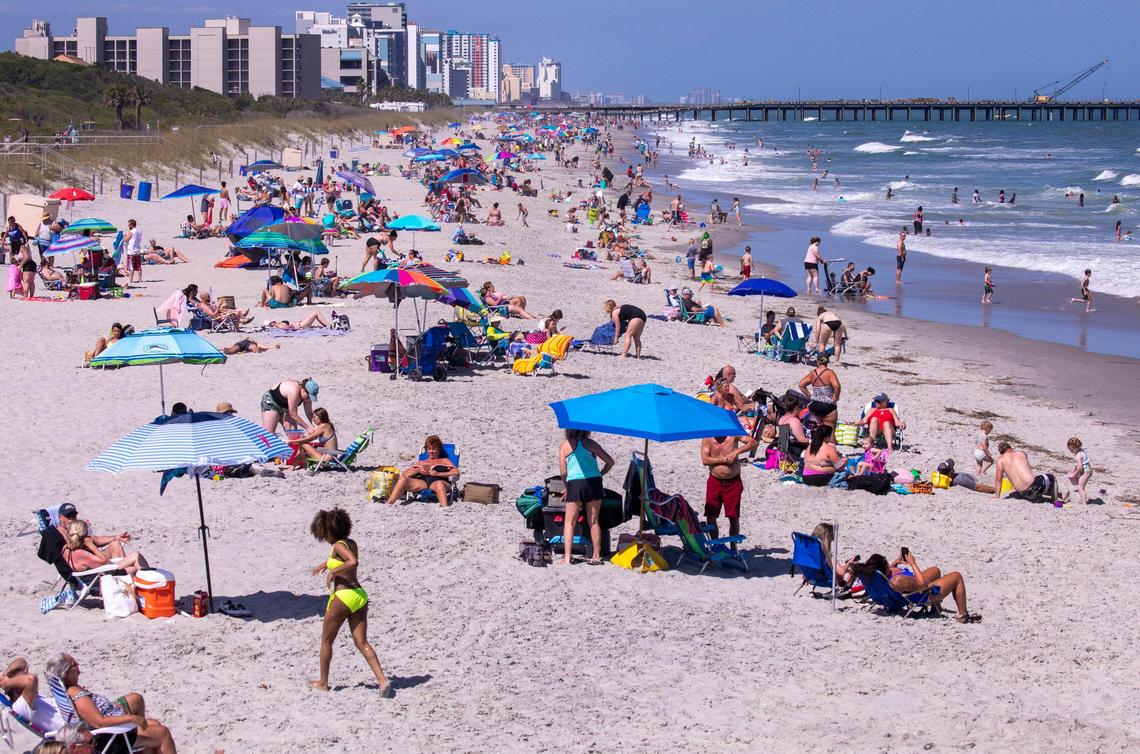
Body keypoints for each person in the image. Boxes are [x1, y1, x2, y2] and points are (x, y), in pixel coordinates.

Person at [308, 509, 392, 697]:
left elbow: (352, 562)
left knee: (327, 640)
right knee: (362, 642)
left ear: (328, 531)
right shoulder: (350, 543)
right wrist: (325, 565)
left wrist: (333, 572)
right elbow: (341, 559)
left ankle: (322, 682)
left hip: (343, 596)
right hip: (359, 595)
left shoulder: (338, 546)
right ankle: (382, 681)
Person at [45, 653, 179, 753]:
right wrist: (132, 718)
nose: (78, 667)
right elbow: (99, 722)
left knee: (141, 707)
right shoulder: (77, 696)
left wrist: (116, 708)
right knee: (163, 733)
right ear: (65, 673)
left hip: (112, 725)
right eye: (74, 665)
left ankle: (147, 745)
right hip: (110, 737)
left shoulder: (70, 690)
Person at [851, 551, 980, 623]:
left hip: (894, 597)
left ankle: (935, 610)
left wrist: (896, 562)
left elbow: (884, 573)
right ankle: (963, 615)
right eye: (887, 564)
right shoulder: (897, 581)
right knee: (956, 576)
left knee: (935, 570)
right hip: (922, 595)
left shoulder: (872, 576)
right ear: (884, 569)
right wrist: (913, 563)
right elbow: (922, 584)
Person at [557, 429, 615, 565]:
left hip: (575, 483)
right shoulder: (591, 444)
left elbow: (563, 471)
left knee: (570, 522)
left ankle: (567, 557)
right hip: (594, 482)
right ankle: (596, 555)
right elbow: (610, 462)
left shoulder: (565, 445)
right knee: (594, 522)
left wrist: (567, 486)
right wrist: (600, 474)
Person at [701, 430, 758, 540]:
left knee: (733, 516)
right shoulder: (707, 437)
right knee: (711, 515)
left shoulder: (733, 433)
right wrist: (723, 459)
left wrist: (736, 452)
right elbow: (705, 460)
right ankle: (714, 543)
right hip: (715, 480)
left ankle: (734, 546)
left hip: (733, 481)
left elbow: (753, 442)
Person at [385, 435, 460, 508]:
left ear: (439, 449)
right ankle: (389, 503)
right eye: (429, 449)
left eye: (434, 449)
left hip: (439, 482)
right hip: (422, 483)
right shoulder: (421, 462)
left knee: (439, 484)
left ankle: (444, 506)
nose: (431, 451)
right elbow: (405, 474)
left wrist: (438, 473)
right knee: (402, 479)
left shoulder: (444, 461)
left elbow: (456, 472)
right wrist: (418, 470)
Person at [63, 519, 149, 577]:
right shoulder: (80, 553)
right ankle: (151, 585)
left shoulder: (66, 548)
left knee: (115, 544)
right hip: (100, 578)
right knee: (135, 558)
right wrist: (91, 546)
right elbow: (105, 562)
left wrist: (116, 537)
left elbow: (96, 539)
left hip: (97, 572)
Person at [2, 657, 65, 734]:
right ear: (17, 690)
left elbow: (22, 662)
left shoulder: (32, 698)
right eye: (23, 678)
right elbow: (31, 680)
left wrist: (4, 675)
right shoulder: (20, 706)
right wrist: (6, 683)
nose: (29, 674)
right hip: (72, 729)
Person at [798, 354, 841, 428]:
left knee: (816, 430)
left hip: (815, 404)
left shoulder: (813, 373)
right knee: (830, 431)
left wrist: (810, 396)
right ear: (827, 361)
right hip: (828, 405)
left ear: (817, 361)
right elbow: (837, 386)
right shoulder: (830, 372)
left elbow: (801, 385)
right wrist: (836, 396)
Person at [1066, 437, 1092, 505]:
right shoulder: (1081, 450)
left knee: (1080, 488)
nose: (1070, 451)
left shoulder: (1078, 455)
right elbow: (1079, 464)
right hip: (1089, 470)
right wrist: (1074, 469)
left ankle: (1084, 503)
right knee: (1082, 486)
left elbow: (1080, 467)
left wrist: (1075, 474)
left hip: (1085, 472)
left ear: (1075, 447)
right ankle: (1085, 499)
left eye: (1071, 449)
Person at [123, 219, 143, 287]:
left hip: (131, 251)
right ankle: (140, 279)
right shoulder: (139, 231)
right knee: (138, 266)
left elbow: (126, 240)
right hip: (137, 250)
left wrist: (124, 236)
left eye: (128, 224)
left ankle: (130, 280)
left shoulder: (131, 232)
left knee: (131, 266)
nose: (128, 226)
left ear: (131, 225)